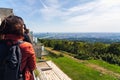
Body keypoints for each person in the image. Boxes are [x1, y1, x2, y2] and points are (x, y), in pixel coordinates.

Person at [0, 15, 36, 80]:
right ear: (19, 29)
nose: (24, 29)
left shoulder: (1, 44)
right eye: (22, 27)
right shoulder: (27, 46)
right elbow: (32, 66)